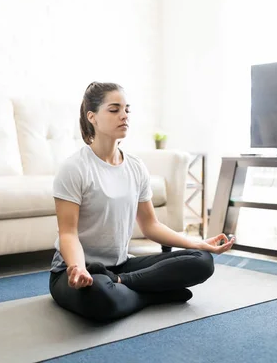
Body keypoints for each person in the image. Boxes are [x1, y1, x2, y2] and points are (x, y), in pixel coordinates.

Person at [49, 81, 235, 322]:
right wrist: (78, 267)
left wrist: (199, 243)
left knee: (202, 261)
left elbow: (151, 226)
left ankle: (122, 284)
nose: (124, 116)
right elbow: (68, 234)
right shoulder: (74, 168)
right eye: (114, 110)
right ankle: (154, 295)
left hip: (120, 268)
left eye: (127, 109)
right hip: (75, 271)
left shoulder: (135, 167)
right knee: (98, 296)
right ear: (92, 117)